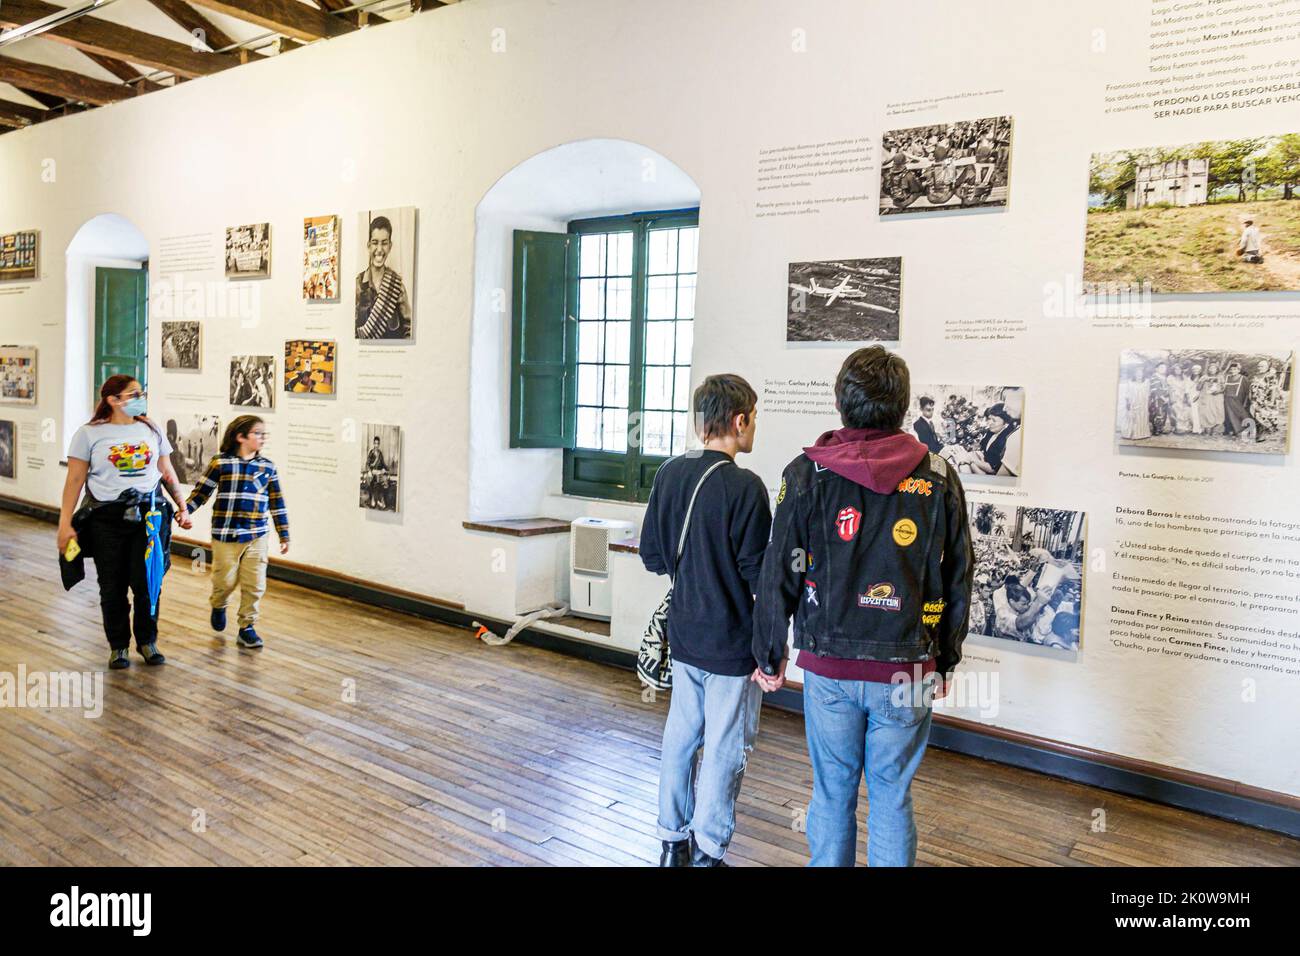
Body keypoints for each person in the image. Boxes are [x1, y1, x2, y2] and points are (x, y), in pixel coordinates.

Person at [753, 346, 974, 867]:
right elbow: (958, 572)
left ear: (841, 401)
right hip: (907, 666)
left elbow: (779, 565)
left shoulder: (805, 474)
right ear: (901, 406)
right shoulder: (940, 476)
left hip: (829, 668)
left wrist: (768, 651)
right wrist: (946, 658)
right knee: (892, 794)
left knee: (832, 792)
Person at [639, 374, 772, 867]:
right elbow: (759, 573)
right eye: (754, 417)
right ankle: (710, 851)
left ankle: (671, 841)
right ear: (739, 421)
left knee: (680, 735)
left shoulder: (670, 473)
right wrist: (773, 645)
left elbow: (653, 556)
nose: (754, 426)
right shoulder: (746, 487)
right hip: (731, 640)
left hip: (686, 632)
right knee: (722, 747)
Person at [58, 375, 193, 669]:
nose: (141, 397)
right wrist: (64, 523)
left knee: (148, 582)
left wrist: (183, 507)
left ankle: (147, 641)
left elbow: (167, 473)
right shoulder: (89, 434)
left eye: (141, 392)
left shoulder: (150, 428)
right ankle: (118, 646)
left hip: (148, 516)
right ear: (113, 400)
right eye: (134, 394)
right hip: (106, 518)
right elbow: (75, 480)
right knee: (112, 585)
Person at [183, 415, 290, 650]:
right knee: (225, 580)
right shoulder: (220, 463)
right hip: (225, 534)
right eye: (258, 433)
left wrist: (284, 534)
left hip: (256, 535)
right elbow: (201, 492)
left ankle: (247, 627)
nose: (263, 438)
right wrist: (185, 511)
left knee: (255, 583)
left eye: (264, 434)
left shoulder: (268, 467)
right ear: (241, 437)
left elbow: (277, 502)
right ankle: (219, 603)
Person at [356, 215, 413, 339]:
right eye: (375, 243)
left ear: (390, 246)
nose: (380, 249)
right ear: (368, 245)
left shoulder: (397, 286)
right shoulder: (358, 285)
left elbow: (409, 330)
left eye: (384, 243)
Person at [1250, 359, 1282, 439]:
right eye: (1259, 366)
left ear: (1267, 367)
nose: (1260, 367)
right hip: (1255, 399)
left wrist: (1270, 401)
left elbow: (1273, 389)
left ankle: (1267, 430)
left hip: (1265, 400)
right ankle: (1262, 431)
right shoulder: (1256, 376)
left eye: (1262, 366)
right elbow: (1252, 387)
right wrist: (1251, 396)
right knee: (1256, 414)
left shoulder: (1271, 376)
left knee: (1266, 415)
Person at [1197, 360, 1225, 437]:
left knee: (1218, 412)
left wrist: (1219, 391)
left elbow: (1224, 388)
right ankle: (1207, 429)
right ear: (1208, 369)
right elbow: (1198, 388)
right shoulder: (1204, 377)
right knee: (1207, 412)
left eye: (1214, 368)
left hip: (1217, 397)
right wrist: (1202, 381)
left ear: (1217, 369)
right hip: (1207, 397)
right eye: (1210, 368)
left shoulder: (1220, 377)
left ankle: (1216, 431)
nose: (1212, 370)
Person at [1222, 361, 1250, 438]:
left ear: (1239, 370)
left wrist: (1246, 402)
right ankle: (1230, 430)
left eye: (1235, 369)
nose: (1232, 371)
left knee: (1239, 415)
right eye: (1231, 369)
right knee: (1228, 416)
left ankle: (1240, 430)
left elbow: (1247, 391)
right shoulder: (1227, 377)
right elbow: (1223, 388)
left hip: (1238, 400)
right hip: (1227, 400)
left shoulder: (1243, 378)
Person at [364, 435, 390, 509]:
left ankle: (381, 499)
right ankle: (372, 498)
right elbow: (367, 464)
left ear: (379, 444)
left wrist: (386, 469)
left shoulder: (380, 453)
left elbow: (383, 464)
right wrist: (369, 471)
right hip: (372, 472)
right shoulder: (371, 453)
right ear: (373, 444)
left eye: (377, 444)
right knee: (370, 479)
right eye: (375, 443)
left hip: (378, 472)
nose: (376, 445)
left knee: (384, 479)